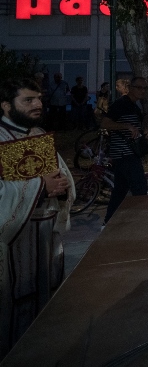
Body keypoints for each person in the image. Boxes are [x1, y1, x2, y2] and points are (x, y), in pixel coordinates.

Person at [0, 78, 73, 357]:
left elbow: (60, 173)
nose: (38, 104)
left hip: (43, 234)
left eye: (39, 98)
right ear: (6, 105)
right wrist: (41, 187)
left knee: (45, 297)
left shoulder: (38, 133)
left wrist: (63, 186)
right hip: (13, 239)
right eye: (28, 100)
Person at [100, 76, 148, 224]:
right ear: (130, 88)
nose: (142, 91)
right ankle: (139, 222)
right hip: (125, 154)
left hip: (127, 154)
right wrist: (126, 126)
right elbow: (104, 123)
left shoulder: (135, 107)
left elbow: (136, 130)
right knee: (139, 188)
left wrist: (145, 132)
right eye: (139, 87)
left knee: (120, 190)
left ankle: (108, 222)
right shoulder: (121, 104)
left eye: (145, 88)